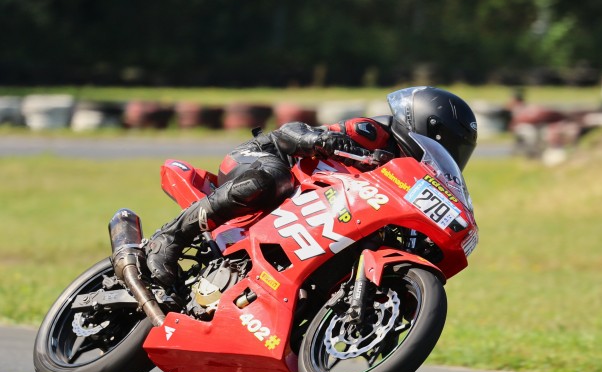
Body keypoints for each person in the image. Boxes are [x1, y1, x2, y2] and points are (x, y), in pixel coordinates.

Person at [145, 86, 478, 286]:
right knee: (270, 179)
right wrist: (322, 138)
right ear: (427, 125)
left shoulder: (409, 178)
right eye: (449, 143)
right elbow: (290, 132)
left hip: (313, 213)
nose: (450, 153)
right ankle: (170, 237)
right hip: (267, 161)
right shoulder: (374, 132)